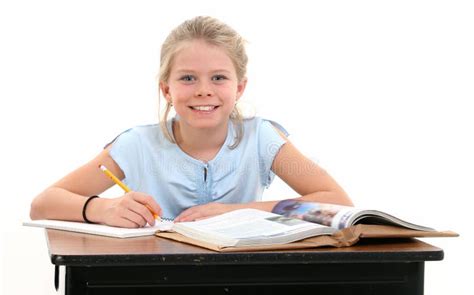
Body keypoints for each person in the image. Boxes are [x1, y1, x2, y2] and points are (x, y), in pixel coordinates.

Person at [30, 16, 353, 228]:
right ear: (166, 89)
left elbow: (336, 201)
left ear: (239, 87)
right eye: (187, 78)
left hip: (240, 276)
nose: (203, 91)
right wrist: (103, 209)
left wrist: (238, 211)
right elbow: (43, 203)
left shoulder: (262, 139)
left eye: (218, 78)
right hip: (154, 279)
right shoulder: (136, 145)